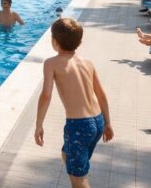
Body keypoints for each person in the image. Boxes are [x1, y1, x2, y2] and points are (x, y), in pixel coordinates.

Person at [35, 18, 113, 188]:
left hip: (79, 126)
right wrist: (107, 123)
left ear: (54, 41)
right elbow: (101, 94)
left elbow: (46, 96)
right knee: (66, 154)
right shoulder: (87, 62)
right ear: (80, 41)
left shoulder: (51, 63)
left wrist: (38, 125)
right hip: (97, 121)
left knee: (79, 180)